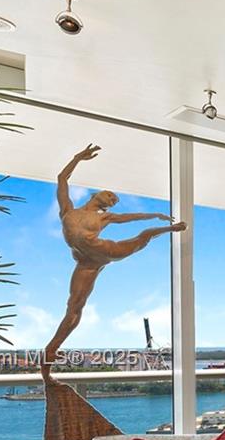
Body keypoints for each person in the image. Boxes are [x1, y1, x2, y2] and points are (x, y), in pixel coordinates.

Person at [41, 144, 186, 368]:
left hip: (108, 251)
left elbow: (129, 217)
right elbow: (62, 178)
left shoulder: (104, 218)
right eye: (110, 195)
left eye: (114, 200)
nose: (112, 199)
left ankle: (171, 230)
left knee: (144, 236)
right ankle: (51, 349)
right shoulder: (68, 211)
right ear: (95, 193)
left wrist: (154, 214)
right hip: (86, 263)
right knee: (74, 305)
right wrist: (78, 157)